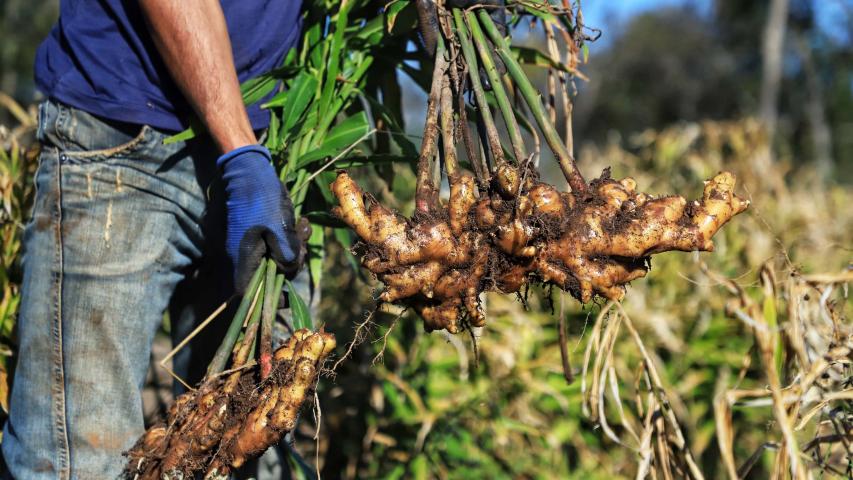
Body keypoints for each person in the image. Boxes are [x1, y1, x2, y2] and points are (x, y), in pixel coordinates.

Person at [1, 0, 307, 478]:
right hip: (122, 139)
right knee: (77, 462)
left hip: (274, 142)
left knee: (253, 446)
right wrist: (241, 152)